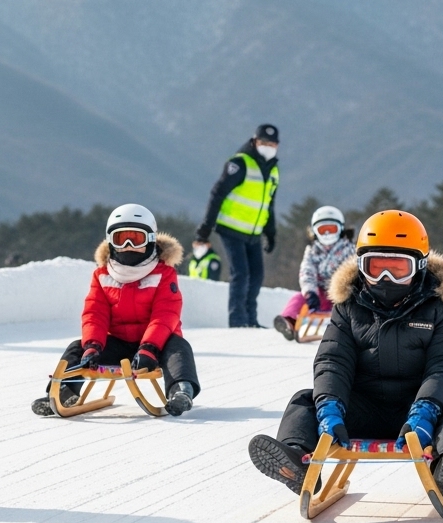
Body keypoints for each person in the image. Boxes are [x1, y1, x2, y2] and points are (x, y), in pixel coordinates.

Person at [247, 210, 443, 504]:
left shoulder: (440, 308)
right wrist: (330, 407)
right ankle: (296, 460)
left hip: (418, 417)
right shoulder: (348, 306)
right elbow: (333, 360)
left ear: (419, 267)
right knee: (305, 400)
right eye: (375, 268)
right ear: (360, 266)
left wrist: (427, 409)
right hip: (359, 411)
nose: (385, 278)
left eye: (398, 268)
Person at [32, 204, 200, 417]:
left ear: (150, 240)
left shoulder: (163, 274)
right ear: (111, 242)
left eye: (136, 239)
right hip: (119, 344)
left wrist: (149, 347)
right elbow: (95, 314)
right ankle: (63, 392)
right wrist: (92, 346)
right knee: (77, 348)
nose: (128, 246)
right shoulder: (102, 275)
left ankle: (181, 392)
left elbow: (166, 315)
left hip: (156, 345)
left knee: (179, 347)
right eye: (121, 240)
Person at [196, 124, 280, 327]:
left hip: (253, 233)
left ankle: (251, 320)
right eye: (263, 142)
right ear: (254, 141)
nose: (267, 147)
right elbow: (217, 193)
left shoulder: (273, 170)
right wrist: (205, 229)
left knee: (257, 275)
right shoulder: (240, 163)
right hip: (231, 229)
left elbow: (268, 204)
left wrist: (270, 233)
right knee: (241, 274)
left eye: (272, 143)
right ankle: (238, 321)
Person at [274, 206, 356, 340]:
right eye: (323, 230)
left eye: (332, 229)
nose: (328, 233)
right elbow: (307, 272)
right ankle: (289, 322)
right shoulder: (312, 251)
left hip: (342, 294)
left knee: (353, 305)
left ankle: (352, 327)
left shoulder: (349, 249)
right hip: (320, 295)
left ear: (340, 229)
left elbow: (354, 270)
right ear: (315, 232)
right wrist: (310, 293)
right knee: (298, 299)